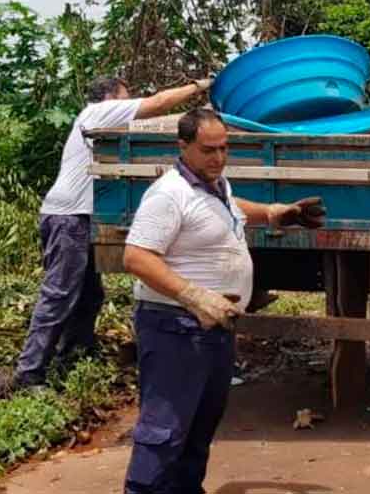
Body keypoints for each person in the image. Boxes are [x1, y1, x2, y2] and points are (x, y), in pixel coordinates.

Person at [121, 108, 325, 494]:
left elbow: (229, 208)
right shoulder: (169, 194)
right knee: (165, 429)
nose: (217, 157)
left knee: (200, 425)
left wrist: (274, 214)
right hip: (175, 327)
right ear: (183, 148)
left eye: (224, 148)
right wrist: (193, 295)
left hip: (214, 327)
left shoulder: (215, 184)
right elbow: (136, 256)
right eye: (207, 150)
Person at [14, 75, 214, 388]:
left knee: (89, 294)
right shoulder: (97, 112)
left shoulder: (101, 117)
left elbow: (158, 120)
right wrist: (200, 86)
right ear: (110, 97)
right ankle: (30, 373)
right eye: (125, 96)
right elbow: (157, 104)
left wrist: (204, 113)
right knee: (60, 294)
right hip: (69, 219)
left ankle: (74, 356)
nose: (129, 102)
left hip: (78, 217)